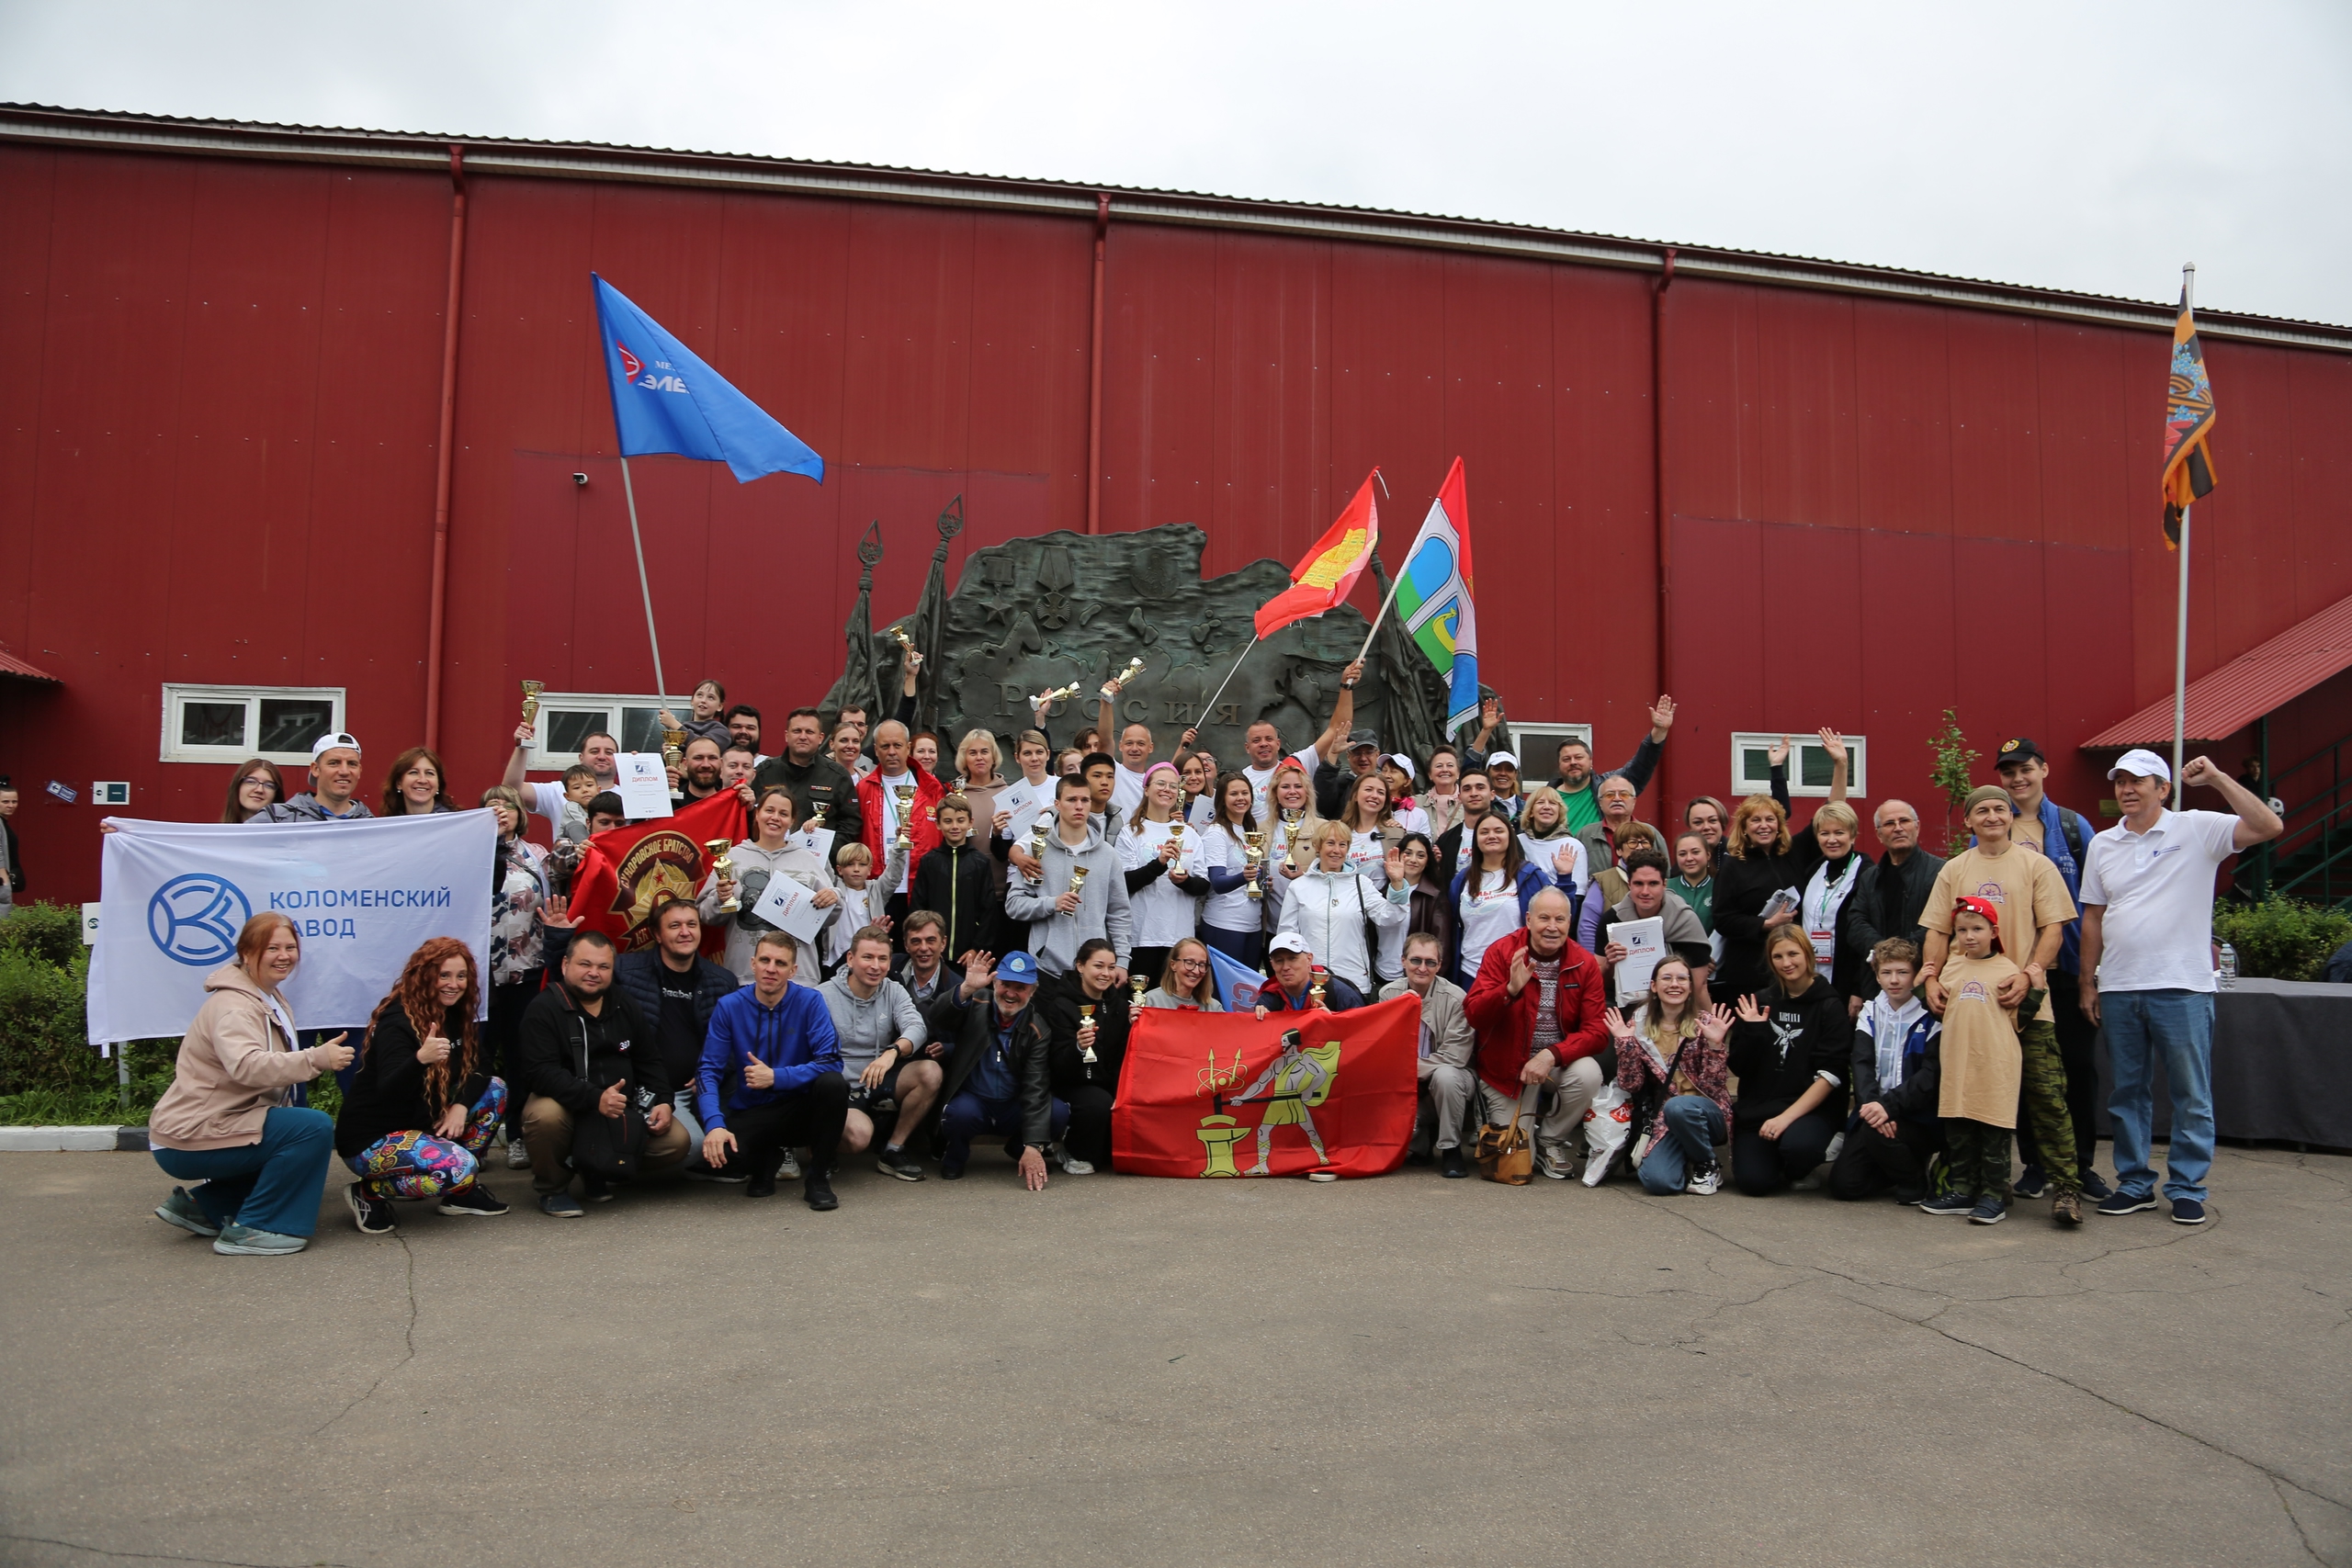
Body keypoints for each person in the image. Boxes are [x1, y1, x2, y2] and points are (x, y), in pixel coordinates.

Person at [2079, 749, 2281, 1225]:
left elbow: (2268, 826)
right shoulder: (2103, 843)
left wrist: (2218, 778)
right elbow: (2093, 917)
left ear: (2163, 789)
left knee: (2191, 1093)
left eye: (2138, 781)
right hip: (2120, 986)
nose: (2127, 789)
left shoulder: (2197, 828)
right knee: (2127, 1093)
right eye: (2120, 781)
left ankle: (2187, 1187)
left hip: (2183, 985)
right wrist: (2088, 982)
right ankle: (2135, 1184)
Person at [1917, 786, 2083, 1224]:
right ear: (1968, 821)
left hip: (2025, 1004)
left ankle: (2067, 1189)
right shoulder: (1954, 869)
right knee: (1971, 1097)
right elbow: (1936, 931)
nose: (1991, 816)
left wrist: (2030, 973)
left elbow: (2054, 929)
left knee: (2047, 1098)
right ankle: (1983, 1186)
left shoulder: (2036, 865)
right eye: (1981, 811)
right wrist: (1931, 977)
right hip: (1971, 1005)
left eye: (1999, 809)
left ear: (2011, 816)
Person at [147, 913, 352, 1255]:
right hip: (189, 1136)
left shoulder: (264, 996)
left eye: (290, 947)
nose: (284, 956)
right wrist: (316, 1059)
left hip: (208, 1127)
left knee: (292, 1132)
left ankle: (204, 1207)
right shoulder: (235, 1007)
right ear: (246, 953)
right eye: (272, 948)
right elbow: (246, 1066)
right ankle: (259, 1227)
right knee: (311, 1129)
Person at [1991, 737, 2105, 1202]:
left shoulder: (2074, 828)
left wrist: (2089, 978)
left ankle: (2081, 1166)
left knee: (2077, 1068)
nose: (2018, 778)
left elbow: (2098, 902)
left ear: (2044, 770)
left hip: (2065, 970)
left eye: (2026, 769)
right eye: (2009, 771)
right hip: (2013, 973)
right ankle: (2036, 1165)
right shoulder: (1993, 827)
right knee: (2021, 1070)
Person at [336, 938, 509, 1234]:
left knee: (495, 1089)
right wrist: (420, 1059)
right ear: (425, 976)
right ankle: (368, 1193)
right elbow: (389, 1091)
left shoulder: (453, 1012)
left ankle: (461, 1194)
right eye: (444, 975)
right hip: (371, 1140)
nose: (453, 984)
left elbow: (481, 1064)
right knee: (460, 1168)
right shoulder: (398, 1021)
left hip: (421, 1125)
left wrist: (460, 1106)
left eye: (461, 976)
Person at [516, 931, 691, 1216]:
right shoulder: (543, 1009)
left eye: (603, 966)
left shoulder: (625, 1004)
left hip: (618, 1110)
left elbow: (649, 1061)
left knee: (677, 1142)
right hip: (567, 1107)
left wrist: (663, 1100)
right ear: (565, 965)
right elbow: (540, 1073)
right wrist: (595, 1098)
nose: (594, 973)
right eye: (585, 964)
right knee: (544, 1116)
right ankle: (553, 1188)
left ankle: (599, 1170)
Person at [1464, 886, 1608, 1181]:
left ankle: (1550, 1140)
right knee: (1514, 1162)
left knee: (1589, 1074)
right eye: (1544, 918)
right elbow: (1474, 1014)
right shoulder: (1502, 952)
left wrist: (1551, 1055)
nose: (1552, 927)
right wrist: (1509, 990)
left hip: (1555, 1063)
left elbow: (1597, 1032)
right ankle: (1502, 1118)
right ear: (1528, 920)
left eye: (1560, 919)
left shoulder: (1584, 963)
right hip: (1508, 1068)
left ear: (1569, 922)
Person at [696, 931, 847, 1209]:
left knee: (834, 1085)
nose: (771, 969)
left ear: (793, 970)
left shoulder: (810, 1001)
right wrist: (714, 1125)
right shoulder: (729, 1006)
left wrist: (776, 1077)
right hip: (754, 1109)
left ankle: (818, 1179)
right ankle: (765, 1161)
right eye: (765, 960)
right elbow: (708, 1071)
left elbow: (831, 1061)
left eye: (780, 963)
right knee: (723, 1156)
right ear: (753, 963)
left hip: (801, 1108)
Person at [1711, 730, 1850, 998]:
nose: (1763, 825)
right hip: (1751, 974)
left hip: (1796, 971)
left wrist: (1840, 764)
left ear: (1779, 824)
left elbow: (1832, 811)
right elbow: (1723, 919)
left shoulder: (1795, 852)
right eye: (1755, 820)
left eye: (1770, 819)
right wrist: (1764, 924)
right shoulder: (1733, 866)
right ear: (1744, 827)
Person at [1918, 898, 2029, 1224]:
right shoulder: (1951, 967)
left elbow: (2022, 1017)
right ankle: (1963, 1189)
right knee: (1960, 1129)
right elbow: (1939, 1011)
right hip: (1958, 1063)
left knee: (1993, 1131)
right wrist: (1923, 985)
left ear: (1993, 932)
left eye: (1977, 929)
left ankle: (1994, 1194)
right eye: (1962, 930)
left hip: (1995, 1065)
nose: (1969, 936)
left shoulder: (2008, 970)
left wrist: (2035, 987)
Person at [481, 785, 575, 1168]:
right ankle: (475, 1139)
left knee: (522, 1057)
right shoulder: (469, 854)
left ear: (521, 813)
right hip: (481, 976)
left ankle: (518, 1135)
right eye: (491, 806)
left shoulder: (536, 855)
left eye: (508, 805)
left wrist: (577, 838)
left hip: (528, 971)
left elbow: (567, 866)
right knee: (477, 1059)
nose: (500, 811)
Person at [617, 898, 743, 1179]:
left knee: (738, 1153)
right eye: (674, 926)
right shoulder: (624, 972)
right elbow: (578, 985)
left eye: (691, 925)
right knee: (694, 1145)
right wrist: (557, 939)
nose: (685, 932)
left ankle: (689, 1164)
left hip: (700, 1091)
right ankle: (612, 1167)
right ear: (657, 934)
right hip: (647, 1090)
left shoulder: (722, 980)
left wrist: (714, 1072)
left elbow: (737, 1041)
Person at [1724, 924, 1849, 1196]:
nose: (1786, 963)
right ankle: (1775, 1160)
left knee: (1799, 1147)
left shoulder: (1830, 1005)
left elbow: (1830, 1076)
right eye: (1778, 956)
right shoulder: (1759, 1002)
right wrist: (1754, 1032)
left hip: (1809, 1110)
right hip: (1760, 1109)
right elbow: (1739, 1067)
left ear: (1807, 954)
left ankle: (1799, 1167)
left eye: (1793, 954)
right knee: (1754, 1184)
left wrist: (1784, 1119)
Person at [930, 949, 1059, 1188]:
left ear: (1033, 991)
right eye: (1005, 984)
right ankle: (955, 1155)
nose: (1010, 993)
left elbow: (1036, 1086)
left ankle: (1020, 1149)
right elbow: (937, 1017)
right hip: (974, 1101)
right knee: (960, 1113)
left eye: (1020, 987)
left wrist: (1033, 1145)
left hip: (1012, 1106)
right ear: (995, 983)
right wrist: (966, 988)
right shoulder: (977, 1001)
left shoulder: (1039, 1029)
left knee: (1058, 1112)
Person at [1828, 938, 1943, 1204]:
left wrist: (1889, 1107)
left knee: (1874, 1134)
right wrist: (1874, 1108)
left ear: (1916, 975)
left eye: (1902, 972)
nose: (1894, 980)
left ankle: (1914, 1179)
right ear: (1877, 976)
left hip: (1917, 1115)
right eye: (1886, 972)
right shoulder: (1870, 1011)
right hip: (1876, 1112)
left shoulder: (1931, 1015)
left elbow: (1929, 1076)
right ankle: (1897, 1164)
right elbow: (1862, 1064)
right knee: (1844, 1186)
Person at [820, 925, 938, 1181]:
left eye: (882, 958)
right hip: (839, 1087)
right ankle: (822, 1148)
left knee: (930, 1072)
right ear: (850, 958)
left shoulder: (893, 990)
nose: (876, 966)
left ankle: (893, 1150)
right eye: (868, 957)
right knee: (859, 1137)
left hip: (877, 1077)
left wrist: (892, 1052)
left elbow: (917, 1027)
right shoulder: (822, 995)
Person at [1611, 955, 1731, 1196]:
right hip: (1665, 1118)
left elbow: (1713, 1089)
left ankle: (1707, 1163)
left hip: (1707, 1112)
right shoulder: (1639, 1024)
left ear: (1690, 987)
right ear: (1654, 986)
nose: (1674, 984)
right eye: (1667, 978)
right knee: (1658, 1182)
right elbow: (1631, 1085)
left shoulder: (1705, 1023)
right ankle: (1686, 1154)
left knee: (1678, 1107)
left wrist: (1715, 1046)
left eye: (1681, 979)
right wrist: (1625, 1045)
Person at [703, 785, 841, 982]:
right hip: (745, 976)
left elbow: (831, 915)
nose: (775, 817)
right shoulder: (732, 857)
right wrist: (720, 898)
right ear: (757, 814)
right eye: (769, 810)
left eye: (783, 814)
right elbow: (706, 914)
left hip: (798, 978)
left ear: (792, 821)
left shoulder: (807, 860)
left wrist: (833, 898)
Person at [1005, 773, 1133, 982]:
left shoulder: (1108, 855)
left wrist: (1122, 961)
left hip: (1095, 970)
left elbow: (1119, 912)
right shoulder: (1037, 850)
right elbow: (1014, 905)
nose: (1079, 806)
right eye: (1072, 800)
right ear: (1057, 804)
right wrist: (1051, 903)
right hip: (1047, 968)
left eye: (1085, 800)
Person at [1380, 931, 1478, 1178]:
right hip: (1405, 1084)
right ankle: (1421, 1143)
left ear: (1439, 966)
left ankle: (1451, 1149)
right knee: (1404, 1138)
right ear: (1403, 961)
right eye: (1416, 960)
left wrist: (1409, 1071)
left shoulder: (1457, 998)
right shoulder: (1387, 995)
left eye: (1430, 962)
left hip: (1450, 1080)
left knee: (1446, 1076)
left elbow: (1455, 1057)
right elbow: (1381, 1047)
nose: (1422, 968)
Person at [1038, 938, 1135, 1175]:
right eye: (1098, 966)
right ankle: (1069, 1148)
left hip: (1107, 1082)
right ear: (1080, 966)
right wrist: (1078, 1048)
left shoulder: (1120, 1005)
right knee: (1098, 1103)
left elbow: (1123, 1054)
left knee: (1109, 1159)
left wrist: (1135, 1027)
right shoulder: (1060, 1005)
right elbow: (1056, 1064)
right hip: (1070, 1084)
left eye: (1111, 967)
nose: (1106, 974)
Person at [1276, 819, 1405, 996]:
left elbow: (1391, 918)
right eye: (1330, 843)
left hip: (1354, 981)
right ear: (1318, 846)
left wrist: (1397, 884)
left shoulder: (1361, 884)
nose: (1336, 850)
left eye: (1342, 844)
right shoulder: (1299, 886)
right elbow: (1287, 936)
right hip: (1310, 982)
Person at [1120, 762, 1211, 986]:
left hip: (1179, 938)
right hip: (1141, 936)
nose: (1167, 789)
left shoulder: (1189, 834)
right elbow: (1124, 883)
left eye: (1173, 786)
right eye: (1160, 784)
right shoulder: (1130, 832)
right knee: (1140, 1001)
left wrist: (1184, 881)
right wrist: (1159, 864)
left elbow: (1203, 886)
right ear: (1146, 789)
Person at [1846, 798, 1942, 1005]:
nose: (1898, 828)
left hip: (1924, 982)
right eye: (1889, 823)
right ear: (1879, 834)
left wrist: (1901, 955)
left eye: (1904, 821)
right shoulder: (1870, 877)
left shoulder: (1941, 872)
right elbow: (1856, 921)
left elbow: (1941, 924)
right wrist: (1883, 951)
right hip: (1877, 983)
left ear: (1917, 827)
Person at [856, 719, 945, 930]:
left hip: (921, 887)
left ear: (908, 748)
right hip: (879, 887)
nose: (891, 752)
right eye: (885, 746)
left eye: (897, 745)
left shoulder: (932, 787)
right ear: (876, 750)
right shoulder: (863, 789)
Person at [1595, 851, 1713, 1001]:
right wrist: (1609, 964)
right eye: (1638, 883)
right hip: (1624, 1003)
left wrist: (1707, 1016)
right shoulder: (1612, 919)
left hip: (1678, 1004)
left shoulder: (1684, 920)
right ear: (1629, 884)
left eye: (1653, 883)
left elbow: (1699, 987)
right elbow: (1597, 983)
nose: (1645, 892)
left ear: (1664, 884)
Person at [1545, 697, 1677, 829]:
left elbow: (1642, 764)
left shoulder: (1608, 786)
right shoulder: (1547, 798)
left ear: (1591, 761)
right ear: (1559, 765)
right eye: (1566, 759)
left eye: (1578, 757)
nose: (1573, 762)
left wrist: (1659, 731)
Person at [1447, 811, 1545, 987]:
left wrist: (1565, 879)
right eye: (1484, 832)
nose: (1491, 836)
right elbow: (1453, 925)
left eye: (1499, 831)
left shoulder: (1530, 875)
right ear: (1476, 839)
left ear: (1510, 836)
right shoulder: (1461, 880)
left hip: (1516, 973)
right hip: (1471, 973)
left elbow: (1559, 915)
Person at [752, 705, 864, 843]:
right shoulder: (765, 772)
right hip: (769, 853)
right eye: (797, 731)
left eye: (809, 732)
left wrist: (826, 851)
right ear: (786, 736)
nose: (803, 737)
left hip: (818, 856)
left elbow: (850, 824)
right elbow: (750, 816)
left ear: (820, 738)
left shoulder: (838, 776)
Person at [909, 793, 999, 965]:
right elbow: (918, 906)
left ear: (970, 822)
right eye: (948, 821)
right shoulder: (929, 861)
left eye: (960, 820)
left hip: (968, 954)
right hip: (933, 952)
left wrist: (977, 948)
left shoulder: (980, 862)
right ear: (938, 824)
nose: (955, 826)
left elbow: (989, 910)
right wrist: (925, 945)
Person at [1200, 772, 1269, 969]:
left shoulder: (1250, 830)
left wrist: (1263, 882)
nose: (1240, 798)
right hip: (1224, 924)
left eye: (1245, 793)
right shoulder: (1217, 832)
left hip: (1253, 925)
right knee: (1225, 987)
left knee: (1248, 986)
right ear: (1222, 799)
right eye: (1233, 794)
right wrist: (1244, 876)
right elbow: (1218, 882)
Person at [250, 732, 372, 822]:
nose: (344, 771)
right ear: (315, 769)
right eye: (334, 763)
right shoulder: (277, 818)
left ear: (359, 771)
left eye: (352, 764)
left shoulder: (371, 826)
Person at [1256, 930, 1368, 1013]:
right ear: (1272, 965)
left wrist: (1333, 1022)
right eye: (1279, 961)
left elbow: (1362, 1032)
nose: (1285, 967)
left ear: (1309, 959)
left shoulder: (1339, 992)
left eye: (1292, 958)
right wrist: (1262, 1022)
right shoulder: (1268, 998)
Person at [1430, 769, 1499, 891]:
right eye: (1467, 789)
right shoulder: (1446, 840)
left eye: (1480, 788)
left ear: (1492, 794)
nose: (1474, 793)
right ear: (1459, 797)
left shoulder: (1505, 835)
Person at [1517, 785, 1588, 897]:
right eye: (1540, 802)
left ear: (1559, 812)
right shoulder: (1517, 842)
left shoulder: (1573, 845)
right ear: (1531, 812)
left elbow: (1578, 894)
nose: (1547, 807)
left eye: (1553, 803)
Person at [890, 908, 961, 1015]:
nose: (923, 948)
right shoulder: (888, 969)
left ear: (943, 943)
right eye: (916, 941)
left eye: (930, 940)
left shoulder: (956, 988)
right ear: (906, 945)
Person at [1396, 830, 1453, 963]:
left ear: (1427, 861)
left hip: (1416, 971)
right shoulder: (1382, 893)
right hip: (1380, 970)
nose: (1413, 860)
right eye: (1408, 853)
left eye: (1420, 856)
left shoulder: (1435, 897)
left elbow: (1442, 945)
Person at [1145, 937, 1223, 1010]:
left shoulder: (1214, 1008)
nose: (1196, 971)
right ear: (1173, 965)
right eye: (1189, 963)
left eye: (1202, 965)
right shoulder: (1151, 1000)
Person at [1667, 830, 1716, 940]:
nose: (1689, 858)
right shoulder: (1666, 887)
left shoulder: (1720, 887)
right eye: (1682, 854)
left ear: (1708, 855)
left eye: (1695, 852)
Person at [379, 746, 455, 816]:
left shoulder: (455, 823)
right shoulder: (388, 824)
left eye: (429, 773)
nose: (422, 780)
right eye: (414, 772)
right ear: (399, 783)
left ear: (438, 784)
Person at [219, 759, 287, 823]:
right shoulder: (220, 831)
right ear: (237, 786)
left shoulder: (286, 832)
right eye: (251, 782)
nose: (259, 790)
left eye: (269, 785)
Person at [1419, 746, 1465, 840]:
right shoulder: (1415, 803)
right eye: (1439, 766)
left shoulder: (1469, 802)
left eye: (1450, 765)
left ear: (1458, 773)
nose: (1444, 770)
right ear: (1430, 774)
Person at [673, 736, 725, 804]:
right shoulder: (670, 803)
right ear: (685, 764)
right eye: (698, 758)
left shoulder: (733, 805)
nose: (706, 765)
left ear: (721, 764)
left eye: (712, 758)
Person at [1484, 752, 1525, 823]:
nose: (1503, 773)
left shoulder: (1527, 808)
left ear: (1515, 775)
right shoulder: (1482, 805)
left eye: (1509, 770)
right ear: (1487, 773)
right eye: (1497, 769)